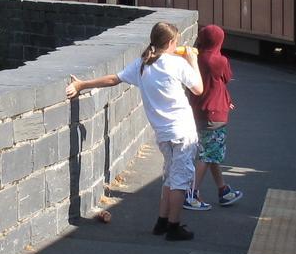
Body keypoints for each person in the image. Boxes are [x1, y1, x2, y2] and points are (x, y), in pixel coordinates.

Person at [65, 20, 202, 241]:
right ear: (170, 43)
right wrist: (193, 61)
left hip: (163, 133)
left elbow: (113, 79)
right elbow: (198, 88)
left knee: (169, 175)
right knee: (180, 180)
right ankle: (174, 227)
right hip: (183, 131)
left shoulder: (143, 64)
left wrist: (83, 85)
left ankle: (162, 221)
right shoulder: (178, 65)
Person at [185, 24, 242, 211]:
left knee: (211, 152)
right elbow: (226, 78)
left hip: (197, 111)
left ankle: (223, 190)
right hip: (215, 114)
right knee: (208, 153)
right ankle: (191, 193)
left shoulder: (195, 58)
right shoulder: (220, 61)